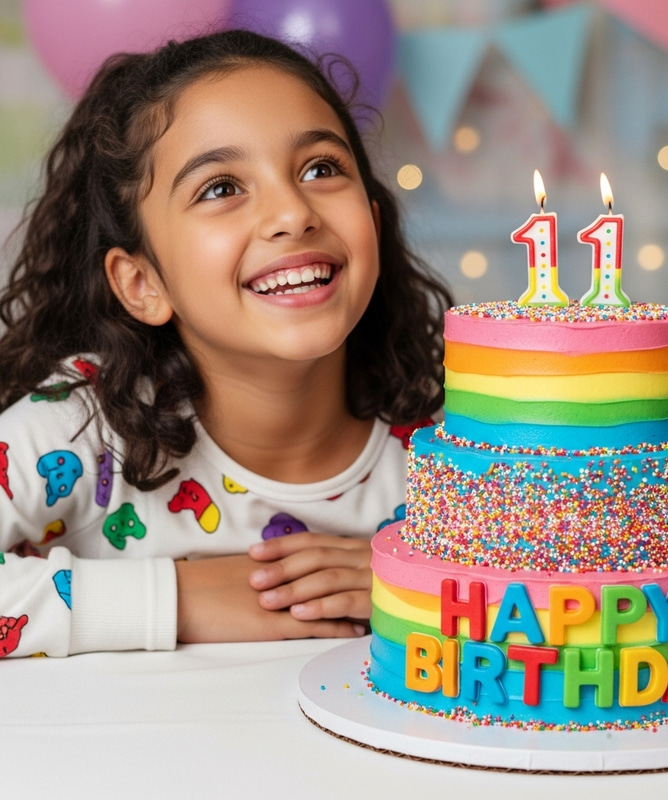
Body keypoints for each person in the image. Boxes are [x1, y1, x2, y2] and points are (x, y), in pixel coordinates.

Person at [0, 29, 453, 657]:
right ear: (142, 282)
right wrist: (177, 598)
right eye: (221, 187)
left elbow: (600, 591)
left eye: (321, 168)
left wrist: (435, 589)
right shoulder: (83, 429)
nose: (292, 213)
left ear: (373, 223)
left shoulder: (457, 447)